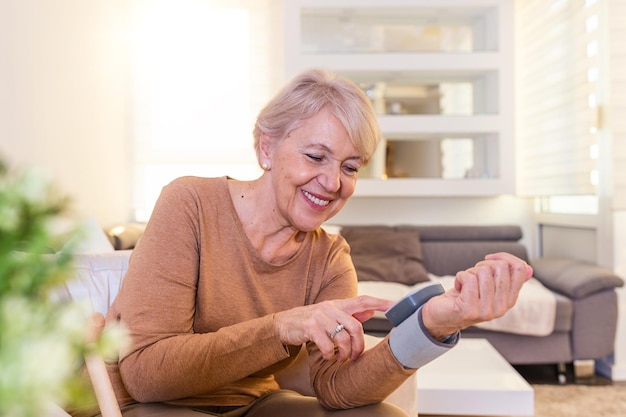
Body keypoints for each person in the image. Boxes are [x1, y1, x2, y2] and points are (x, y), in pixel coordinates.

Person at [102, 68, 532, 417]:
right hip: (154, 406)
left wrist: (433, 325)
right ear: (266, 148)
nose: (332, 183)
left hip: (255, 404)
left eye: (349, 167)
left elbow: (337, 387)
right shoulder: (190, 203)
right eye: (315, 157)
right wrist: (283, 326)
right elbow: (147, 374)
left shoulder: (330, 258)